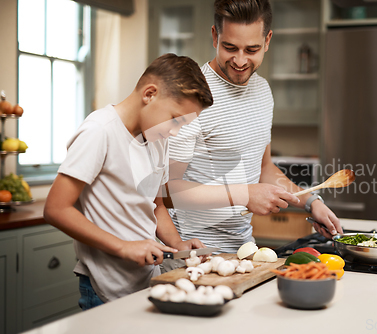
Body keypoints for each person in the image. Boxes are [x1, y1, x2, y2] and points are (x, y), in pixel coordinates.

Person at [165, 0, 342, 257]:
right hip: (191, 253)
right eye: (230, 47)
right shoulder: (190, 95)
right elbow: (168, 191)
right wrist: (244, 194)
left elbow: (264, 168)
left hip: (243, 250)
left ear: (267, 41)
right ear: (215, 36)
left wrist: (310, 202)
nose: (239, 60)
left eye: (251, 49)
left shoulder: (262, 91)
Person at [43, 53, 213, 310]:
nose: (176, 130)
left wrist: (178, 244)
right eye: (176, 119)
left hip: (146, 282)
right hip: (103, 288)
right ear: (149, 94)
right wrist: (123, 247)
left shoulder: (157, 137)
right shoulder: (100, 131)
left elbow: (156, 206)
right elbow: (56, 209)